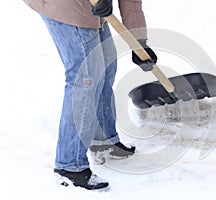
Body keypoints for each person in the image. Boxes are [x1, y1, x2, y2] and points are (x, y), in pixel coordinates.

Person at [23, 0, 157, 191]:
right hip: (64, 5)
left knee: (106, 67)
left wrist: (139, 42)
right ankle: (69, 165)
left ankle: (102, 140)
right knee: (85, 78)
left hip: (91, 6)